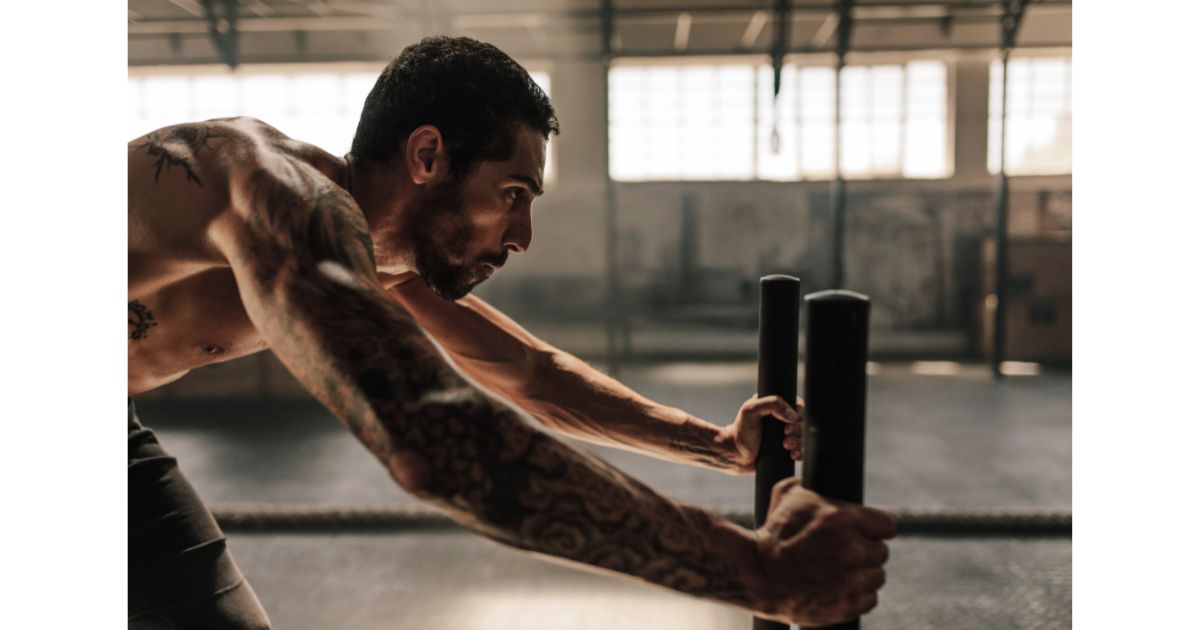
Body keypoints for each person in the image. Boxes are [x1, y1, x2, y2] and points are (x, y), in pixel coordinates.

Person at [127, 35, 895, 629]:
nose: (522, 234)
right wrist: (761, 570)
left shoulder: (374, 259)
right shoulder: (277, 197)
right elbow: (437, 445)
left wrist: (715, 446)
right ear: (428, 155)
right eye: (513, 193)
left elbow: (530, 374)